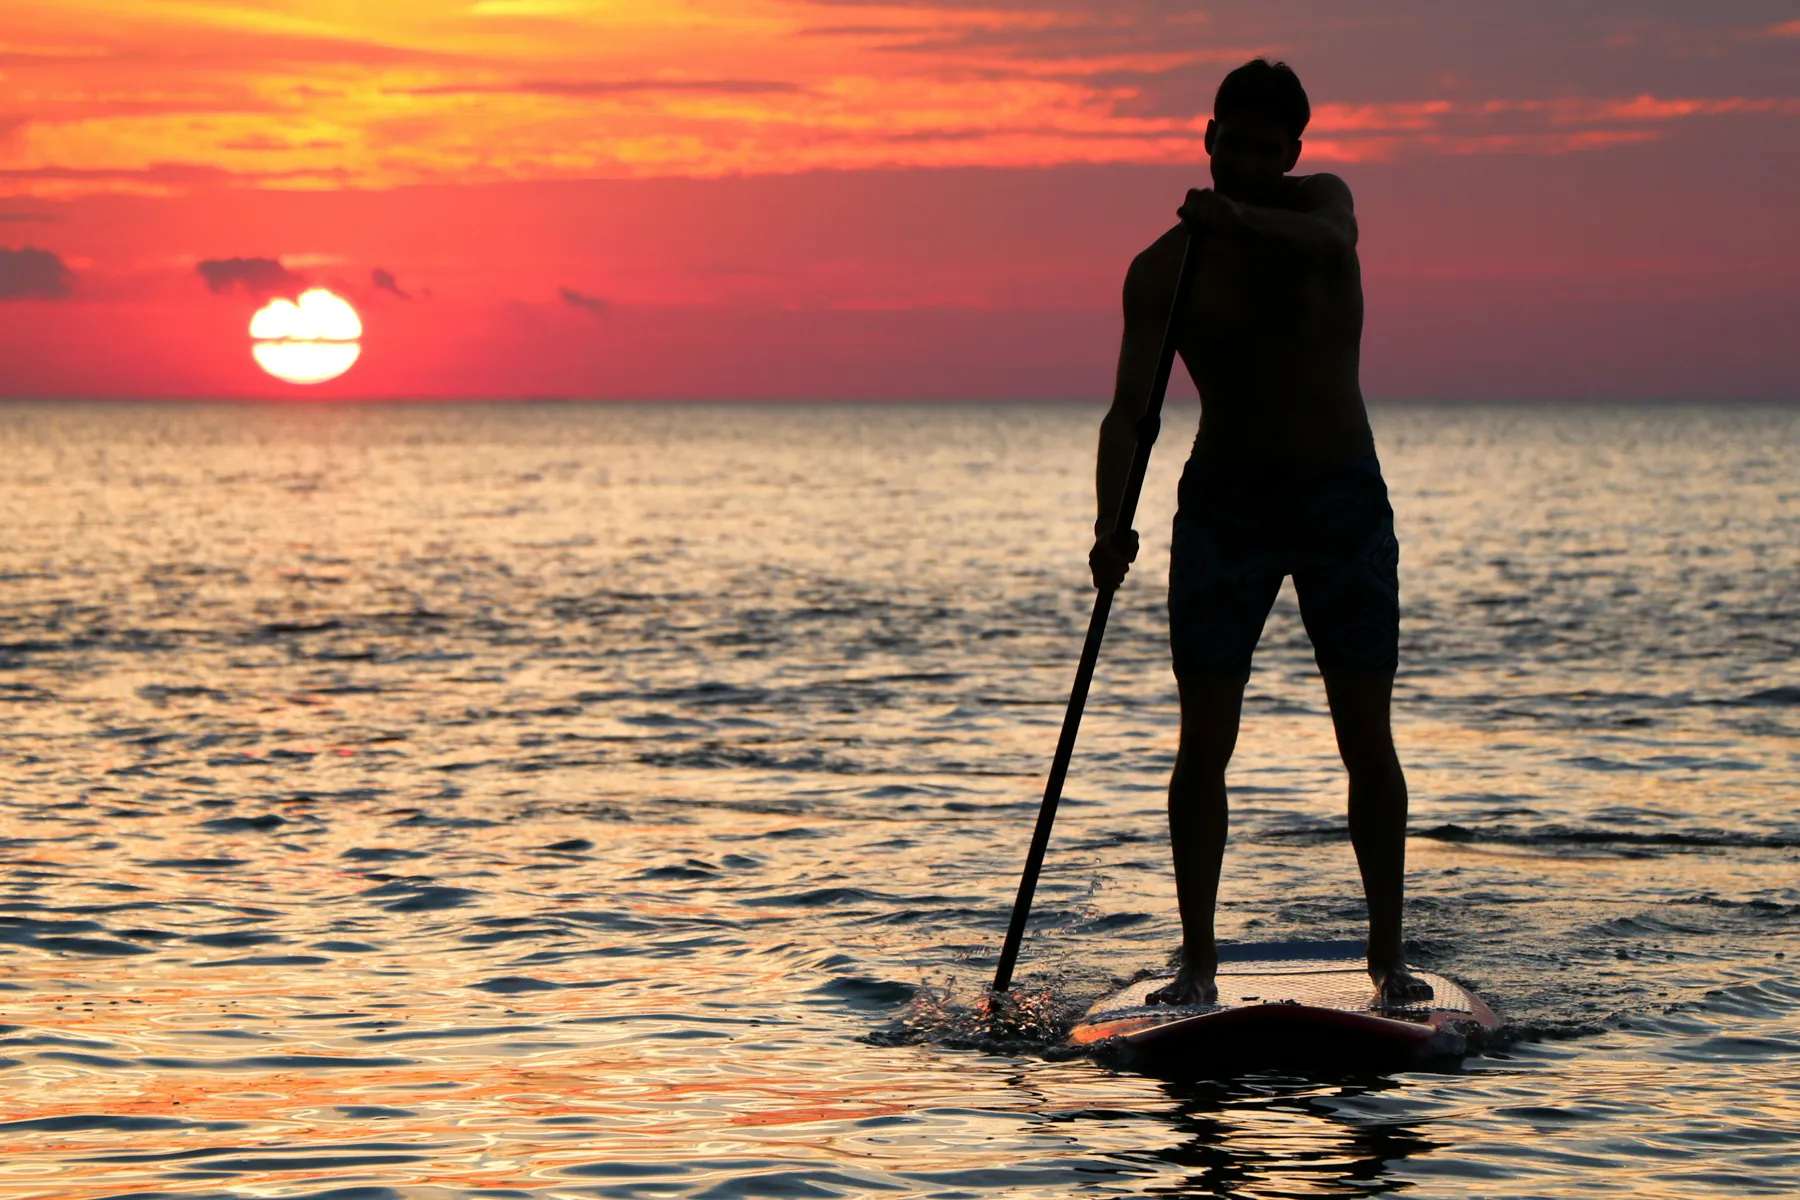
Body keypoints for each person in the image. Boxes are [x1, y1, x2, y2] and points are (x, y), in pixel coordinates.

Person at [1089, 58, 1434, 1007]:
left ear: (1290, 152)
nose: (1240, 160)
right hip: (1226, 506)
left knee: (1365, 732)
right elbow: (1131, 414)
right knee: (1205, 738)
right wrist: (1109, 522)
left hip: (1340, 499)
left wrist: (1237, 220)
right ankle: (1197, 960)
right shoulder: (1164, 271)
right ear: (1206, 141)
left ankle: (1387, 961)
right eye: (1227, 143)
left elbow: (1331, 245)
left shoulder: (1323, 206)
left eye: (1260, 147)